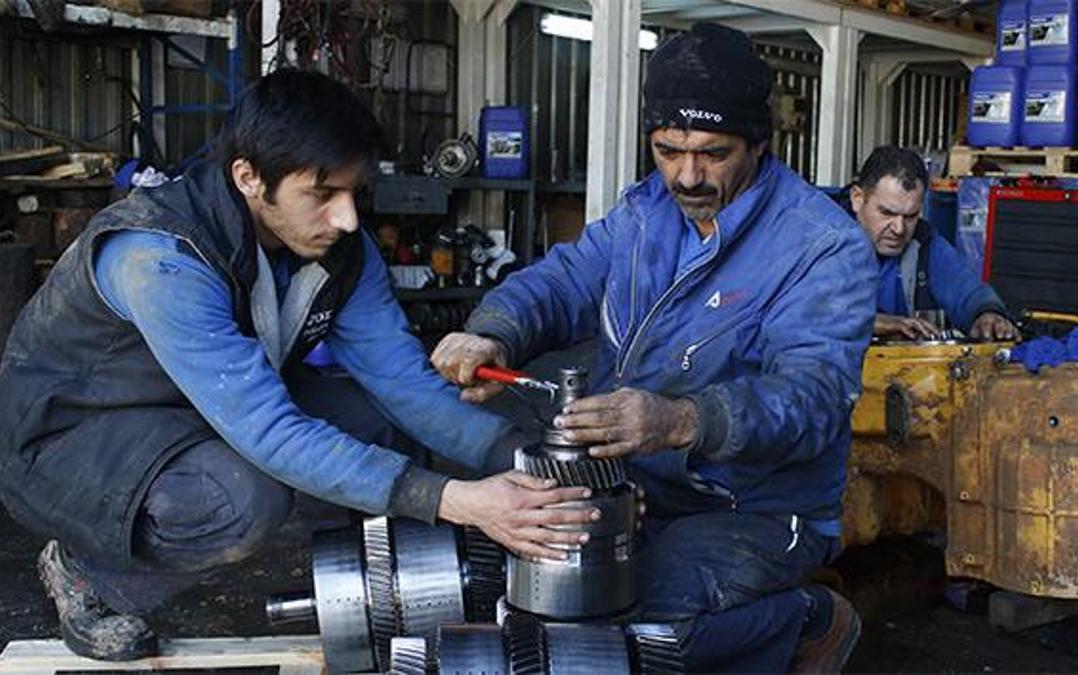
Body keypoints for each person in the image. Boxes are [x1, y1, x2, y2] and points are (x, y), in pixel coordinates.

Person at [0, 69, 593, 662]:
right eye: (322, 194)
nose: (348, 219)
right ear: (248, 178)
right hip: (74, 435)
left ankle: (378, 594)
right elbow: (268, 431)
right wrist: (458, 500)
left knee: (379, 423)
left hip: (202, 407)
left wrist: (531, 466)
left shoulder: (339, 250)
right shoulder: (161, 259)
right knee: (241, 498)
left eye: (353, 193)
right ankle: (89, 575)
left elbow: (402, 382)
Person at [432, 23, 876, 674]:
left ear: (759, 143)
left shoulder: (822, 247)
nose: (687, 175)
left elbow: (811, 399)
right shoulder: (644, 214)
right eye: (668, 149)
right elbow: (565, 279)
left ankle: (807, 618)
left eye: (712, 152)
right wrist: (495, 328)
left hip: (751, 508)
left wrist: (678, 419)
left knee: (635, 627)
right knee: (501, 579)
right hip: (633, 486)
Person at [845, 146, 1018, 341]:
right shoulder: (821, 243)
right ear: (857, 199)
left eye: (910, 216)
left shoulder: (924, 243)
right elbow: (807, 309)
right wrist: (874, 323)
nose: (899, 229)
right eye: (887, 213)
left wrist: (987, 314)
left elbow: (966, 290)